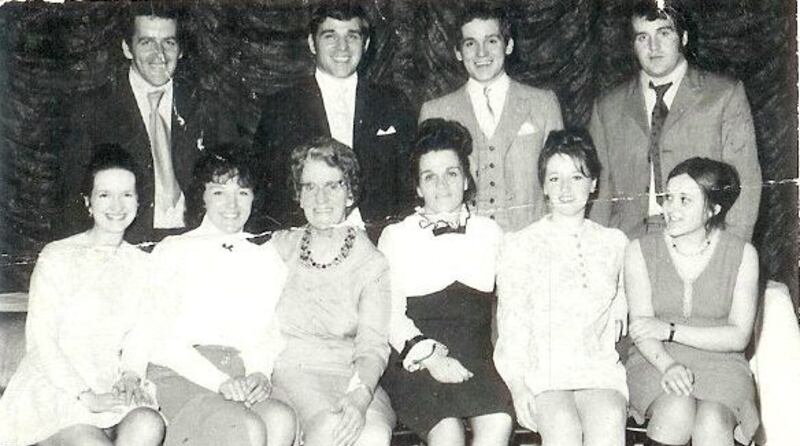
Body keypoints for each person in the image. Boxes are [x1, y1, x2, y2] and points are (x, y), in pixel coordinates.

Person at [0, 144, 165, 446]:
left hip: (109, 384)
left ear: (139, 201)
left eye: (127, 194)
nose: (117, 205)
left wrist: (129, 374)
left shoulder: (144, 264)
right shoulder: (57, 256)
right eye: (105, 194)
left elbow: (142, 331)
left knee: (149, 426)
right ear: (88, 202)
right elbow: (42, 341)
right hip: (55, 385)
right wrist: (85, 395)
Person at [140, 146, 297, 446]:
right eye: (219, 192)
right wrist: (220, 382)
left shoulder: (265, 257)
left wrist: (259, 372)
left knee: (280, 419)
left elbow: (269, 331)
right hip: (182, 374)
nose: (232, 204)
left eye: (242, 192)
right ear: (202, 196)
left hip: (241, 375)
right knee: (246, 426)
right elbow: (158, 335)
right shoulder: (173, 250)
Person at [378, 119, 513, 446]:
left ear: (467, 178)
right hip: (416, 358)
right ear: (417, 187)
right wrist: (430, 355)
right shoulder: (396, 236)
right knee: (448, 431)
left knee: (499, 420)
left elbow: (514, 300)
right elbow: (388, 312)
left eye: (451, 173)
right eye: (429, 177)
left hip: (475, 356)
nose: (441, 186)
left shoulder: (491, 233)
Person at [495, 129, 629, 446]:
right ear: (543, 186)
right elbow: (512, 322)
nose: (566, 188)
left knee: (608, 419)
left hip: (596, 366)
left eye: (576, 177)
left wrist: (623, 300)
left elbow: (624, 299)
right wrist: (518, 385)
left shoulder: (615, 242)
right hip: (545, 368)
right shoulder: (520, 245)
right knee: (563, 428)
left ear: (593, 184)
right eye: (554, 178)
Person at [624, 157, 759, 446]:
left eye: (685, 200)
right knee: (676, 408)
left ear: (713, 207)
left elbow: (738, 336)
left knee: (714, 421)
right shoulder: (640, 250)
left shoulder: (743, 255)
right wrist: (667, 362)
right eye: (669, 197)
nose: (670, 207)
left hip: (722, 363)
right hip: (655, 361)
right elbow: (641, 328)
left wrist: (668, 329)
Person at [269, 137, 395, 446]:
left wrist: (359, 399)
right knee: (329, 426)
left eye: (333, 185)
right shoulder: (279, 247)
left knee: (373, 436)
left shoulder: (370, 260)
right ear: (299, 194)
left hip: (350, 372)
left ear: (350, 192)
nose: (321, 197)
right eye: (310, 186)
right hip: (293, 367)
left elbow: (373, 344)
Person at [61, 2, 236, 245]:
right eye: (146, 42)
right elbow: (72, 199)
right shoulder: (92, 110)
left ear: (181, 49)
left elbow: (233, 184)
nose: (160, 55)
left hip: (195, 244)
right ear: (127, 48)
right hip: (125, 246)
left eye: (169, 42)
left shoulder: (209, 104)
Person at [588, 0, 761, 241]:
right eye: (642, 37)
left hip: (702, 241)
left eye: (664, 33)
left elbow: (746, 183)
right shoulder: (607, 107)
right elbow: (600, 195)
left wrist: (731, 252)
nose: (653, 47)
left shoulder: (724, 96)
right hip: (628, 245)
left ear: (684, 37)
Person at [251, 1, 416, 237]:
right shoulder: (281, 108)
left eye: (352, 36)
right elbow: (269, 192)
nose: (343, 47)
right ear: (312, 43)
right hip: (307, 242)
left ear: (366, 44)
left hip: (380, 241)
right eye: (330, 36)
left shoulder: (393, 103)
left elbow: (408, 185)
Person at [419, 3, 563, 233]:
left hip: (530, 245)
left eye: (491, 41)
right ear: (458, 52)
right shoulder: (435, 111)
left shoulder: (543, 104)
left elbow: (559, 183)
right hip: (465, 248)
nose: (481, 53)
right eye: (470, 43)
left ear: (509, 46)